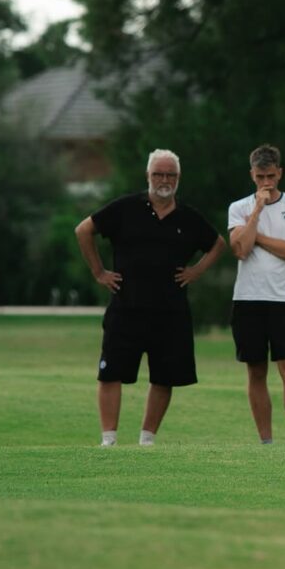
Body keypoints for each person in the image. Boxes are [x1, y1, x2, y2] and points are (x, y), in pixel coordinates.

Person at [75, 149, 225, 447]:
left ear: (178, 178)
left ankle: (147, 439)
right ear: (148, 176)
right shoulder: (125, 208)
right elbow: (83, 230)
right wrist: (99, 272)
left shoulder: (188, 217)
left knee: (164, 376)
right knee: (110, 373)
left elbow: (218, 244)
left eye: (170, 174)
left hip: (171, 312)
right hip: (126, 307)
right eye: (158, 174)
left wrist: (196, 271)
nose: (164, 180)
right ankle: (109, 440)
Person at [228, 143, 285, 443]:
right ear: (252, 174)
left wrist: (259, 237)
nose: (266, 183)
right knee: (256, 370)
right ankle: (266, 441)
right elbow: (241, 249)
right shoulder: (239, 208)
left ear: (280, 174)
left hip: (284, 300)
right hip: (248, 300)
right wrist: (258, 210)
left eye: (271, 176)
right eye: (261, 176)